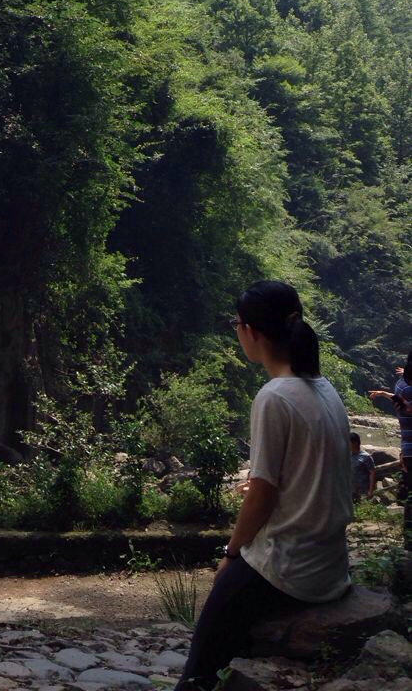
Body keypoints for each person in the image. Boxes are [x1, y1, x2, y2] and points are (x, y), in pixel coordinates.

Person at [175, 280, 352, 691]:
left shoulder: (274, 396)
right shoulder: (327, 390)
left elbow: (264, 493)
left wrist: (230, 552)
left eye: (236, 324)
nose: (237, 331)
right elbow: (310, 477)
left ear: (250, 331)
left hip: (291, 567)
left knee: (201, 662)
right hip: (331, 565)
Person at [367, 351, 412, 471]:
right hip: (407, 448)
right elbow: (402, 402)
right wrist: (383, 393)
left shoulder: (406, 388)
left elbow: (405, 405)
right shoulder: (405, 388)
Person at [350, 432, 376, 502]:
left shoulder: (366, 456)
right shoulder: (347, 455)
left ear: (355, 443)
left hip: (363, 490)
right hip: (350, 490)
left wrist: (370, 490)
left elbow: (372, 473)